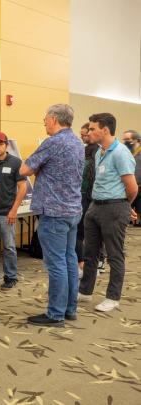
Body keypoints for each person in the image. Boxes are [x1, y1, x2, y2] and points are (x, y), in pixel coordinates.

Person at [20, 104, 84, 327]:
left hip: (54, 212)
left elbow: (24, 169)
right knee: (69, 260)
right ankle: (69, 309)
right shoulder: (77, 142)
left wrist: (38, 169)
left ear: (55, 120)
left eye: (45, 119)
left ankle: (55, 313)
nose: (44, 123)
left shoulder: (53, 142)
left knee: (56, 264)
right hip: (73, 210)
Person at [78, 113, 138, 312]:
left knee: (114, 255)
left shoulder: (121, 153)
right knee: (90, 252)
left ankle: (113, 297)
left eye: (93, 128)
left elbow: (132, 188)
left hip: (114, 207)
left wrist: (123, 206)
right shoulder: (99, 152)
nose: (89, 131)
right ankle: (85, 291)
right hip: (95, 206)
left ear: (105, 130)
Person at [0, 131, 27, 289]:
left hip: (7, 213)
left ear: (6, 145)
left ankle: (10, 277)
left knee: (9, 247)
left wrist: (14, 210)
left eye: (0, 144)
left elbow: (22, 187)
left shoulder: (16, 162)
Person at [76, 123, 99, 278]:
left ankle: (85, 265)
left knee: (84, 233)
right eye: (82, 134)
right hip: (82, 196)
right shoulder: (82, 150)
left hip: (91, 197)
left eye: (86, 133)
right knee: (81, 233)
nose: (83, 137)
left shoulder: (98, 152)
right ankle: (82, 264)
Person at [130, 132, 141, 225]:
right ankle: (133, 220)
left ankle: (138, 222)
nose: (129, 143)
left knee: (139, 205)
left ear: (137, 140)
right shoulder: (131, 151)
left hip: (139, 183)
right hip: (132, 182)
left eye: (130, 140)